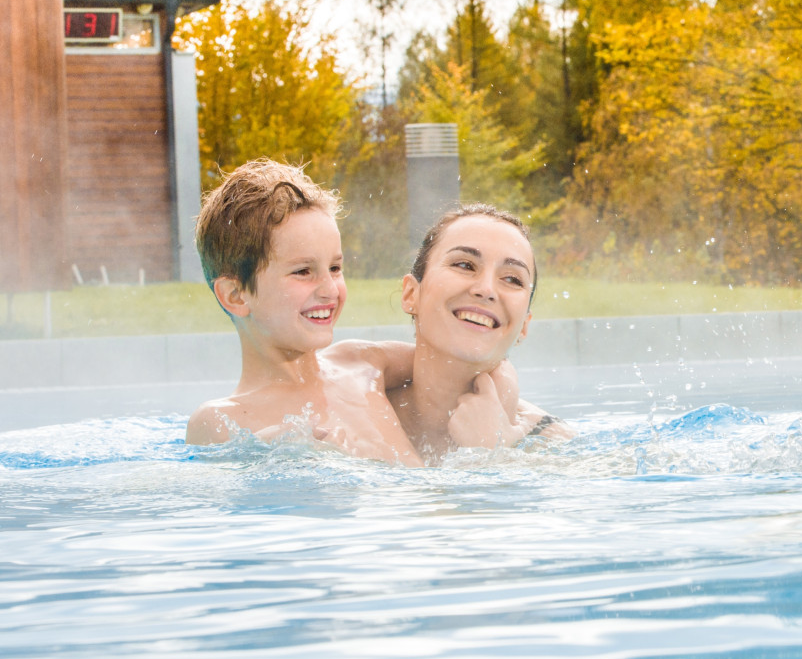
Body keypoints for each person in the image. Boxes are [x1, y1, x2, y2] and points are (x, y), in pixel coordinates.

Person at [185, 160, 423, 465]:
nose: (329, 289)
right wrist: (266, 455)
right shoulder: (221, 422)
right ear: (235, 295)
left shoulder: (363, 363)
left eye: (335, 268)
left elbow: (468, 364)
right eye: (303, 271)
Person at [388, 204, 571, 462]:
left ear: (524, 326)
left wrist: (493, 454)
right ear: (411, 295)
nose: (486, 289)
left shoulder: (554, 447)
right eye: (464, 265)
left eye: (512, 279)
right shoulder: (348, 413)